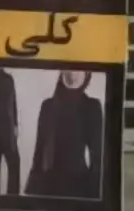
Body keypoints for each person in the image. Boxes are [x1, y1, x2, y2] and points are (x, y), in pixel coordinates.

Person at [25, 71, 103, 199]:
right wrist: (32, 190)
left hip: (78, 185)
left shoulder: (92, 106)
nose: (73, 74)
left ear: (86, 75)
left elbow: (97, 156)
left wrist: (95, 195)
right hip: (49, 186)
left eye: (78, 69)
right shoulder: (48, 106)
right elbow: (39, 153)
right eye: (69, 68)